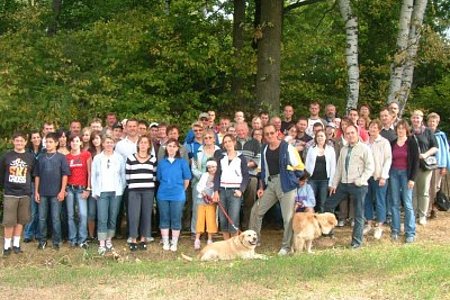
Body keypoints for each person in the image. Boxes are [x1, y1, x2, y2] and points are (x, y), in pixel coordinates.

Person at [250, 124, 305, 256]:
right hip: (271, 183)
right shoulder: (264, 149)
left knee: (287, 217)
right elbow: (262, 171)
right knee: (256, 210)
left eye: (272, 133)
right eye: (267, 134)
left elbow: (300, 168)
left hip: (286, 184)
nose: (269, 136)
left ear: (277, 133)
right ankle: (254, 240)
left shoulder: (287, 148)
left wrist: (292, 180)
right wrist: (261, 187)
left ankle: (286, 246)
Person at [324, 124, 374, 249]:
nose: (350, 135)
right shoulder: (344, 149)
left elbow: (370, 167)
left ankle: (356, 242)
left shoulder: (364, 148)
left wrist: (361, 180)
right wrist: (334, 184)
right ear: (345, 135)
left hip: (358, 185)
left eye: (352, 133)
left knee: (358, 213)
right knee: (329, 205)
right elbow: (339, 169)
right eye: (348, 133)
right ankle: (329, 232)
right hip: (344, 184)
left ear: (357, 134)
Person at [0, 132, 35, 255]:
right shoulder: (6, 156)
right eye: (17, 141)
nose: (19, 143)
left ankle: (16, 245)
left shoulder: (30, 157)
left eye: (21, 141)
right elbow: (2, 174)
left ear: (25, 142)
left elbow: (33, 175)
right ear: (13, 141)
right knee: (9, 221)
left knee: (21, 220)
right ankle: (7, 246)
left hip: (25, 193)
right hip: (10, 193)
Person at [34, 132, 71, 250]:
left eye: (50, 142)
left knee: (56, 218)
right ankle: (42, 240)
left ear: (56, 143)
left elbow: (65, 175)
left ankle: (57, 241)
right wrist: (36, 191)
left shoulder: (61, 157)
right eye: (46, 142)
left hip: (56, 193)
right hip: (43, 192)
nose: (48, 144)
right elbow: (37, 176)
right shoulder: (40, 157)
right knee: (42, 217)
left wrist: (62, 190)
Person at [91, 134, 126, 255]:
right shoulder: (97, 158)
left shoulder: (119, 158)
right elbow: (93, 176)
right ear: (103, 144)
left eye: (111, 142)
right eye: (107, 142)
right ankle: (101, 243)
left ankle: (109, 240)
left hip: (115, 192)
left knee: (112, 217)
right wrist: (95, 191)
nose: (109, 144)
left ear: (114, 144)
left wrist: (121, 188)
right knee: (102, 217)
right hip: (102, 192)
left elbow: (122, 174)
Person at [157, 138, 192, 252]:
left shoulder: (182, 162)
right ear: (166, 148)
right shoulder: (162, 163)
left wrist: (180, 190)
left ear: (178, 149)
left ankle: (174, 242)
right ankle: (166, 241)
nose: (171, 148)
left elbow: (186, 179)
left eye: (174, 146)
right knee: (164, 218)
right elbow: (159, 178)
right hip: (163, 194)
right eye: (169, 146)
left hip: (177, 195)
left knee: (176, 218)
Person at [213, 134, 250, 240]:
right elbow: (217, 175)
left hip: (235, 191)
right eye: (225, 142)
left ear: (234, 142)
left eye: (229, 141)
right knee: (223, 218)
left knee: (233, 218)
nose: (227, 144)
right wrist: (216, 191)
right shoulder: (221, 157)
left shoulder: (241, 157)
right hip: (222, 191)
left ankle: (234, 243)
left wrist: (241, 190)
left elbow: (246, 175)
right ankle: (226, 243)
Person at [125, 135, 157, 251]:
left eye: (146, 143)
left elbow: (154, 176)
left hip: (148, 190)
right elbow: (127, 176)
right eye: (141, 142)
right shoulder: (130, 158)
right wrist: (134, 185)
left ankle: (143, 238)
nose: (143, 145)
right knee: (134, 215)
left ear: (149, 145)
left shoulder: (153, 159)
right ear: (138, 144)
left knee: (146, 214)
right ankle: (133, 238)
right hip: (134, 190)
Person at [389, 120, 419, 243]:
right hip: (394, 174)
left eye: (403, 128)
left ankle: (410, 232)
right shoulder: (393, 143)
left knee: (407, 203)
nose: (400, 130)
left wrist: (412, 179)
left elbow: (416, 162)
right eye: (398, 128)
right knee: (395, 203)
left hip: (406, 174)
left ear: (406, 129)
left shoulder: (411, 142)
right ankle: (395, 229)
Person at [363, 119, 392, 239]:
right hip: (367, 177)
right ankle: (369, 223)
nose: (373, 129)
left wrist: (384, 176)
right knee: (367, 200)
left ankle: (379, 226)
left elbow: (388, 159)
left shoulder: (384, 142)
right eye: (371, 127)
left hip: (379, 176)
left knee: (380, 201)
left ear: (379, 129)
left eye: (375, 127)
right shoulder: (365, 143)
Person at [411, 110, 438, 225]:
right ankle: (413, 214)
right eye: (414, 118)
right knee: (413, 192)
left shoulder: (428, 132)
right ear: (411, 119)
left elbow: (435, 147)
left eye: (418, 117)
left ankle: (422, 215)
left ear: (422, 119)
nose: (416, 120)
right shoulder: (409, 132)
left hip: (424, 167)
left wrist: (425, 155)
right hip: (412, 167)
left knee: (424, 192)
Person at [190, 129, 220, 235]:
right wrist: (205, 177)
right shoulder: (198, 151)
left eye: (210, 137)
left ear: (214, 139)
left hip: (214, 183)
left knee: (213, 208)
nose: (208, 139)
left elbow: (221, 168)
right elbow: (193, 168)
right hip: (199, 182)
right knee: (197, 208)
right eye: (205, 138)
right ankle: (196, 231)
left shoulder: (219, 151)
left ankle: (211, 232)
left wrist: (213, 177)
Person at [65, 134, 92, 248]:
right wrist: (64, 189)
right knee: (71, 215)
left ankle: (82, 239)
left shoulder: (86, 155)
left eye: (77, 141)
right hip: (69, 189)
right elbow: (64, 174)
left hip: (82, 189)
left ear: (81, 143)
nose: (74, 143)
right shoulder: (66, 157)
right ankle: (72, 238)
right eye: (72, 141)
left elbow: (90, 173)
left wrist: (88, 188)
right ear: (70, 143)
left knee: (83, 214)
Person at [235, 122, 261, 230]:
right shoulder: (233, 142)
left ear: (247, 131)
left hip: (251, 175)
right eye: (239, 130)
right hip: (235, 177)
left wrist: (243, 165)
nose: (241, 132)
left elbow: (257, 161)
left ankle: (247, 226)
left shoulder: (255, 143)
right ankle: (234, 226)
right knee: (235, 202)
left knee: (249, 203)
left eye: (243, 130)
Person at [304, 130, 336, 213]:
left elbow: (333, 167)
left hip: (325, 180)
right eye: (318, 136)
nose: (320, 138)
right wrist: (306, 178)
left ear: (325, 137)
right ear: (315, 138)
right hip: (312, 179)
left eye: (322, 136)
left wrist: (331, 182)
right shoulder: (311, 149)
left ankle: (322, 222)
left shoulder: (330, 150)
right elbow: (307, 164)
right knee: (310, 201)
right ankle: (311, 221)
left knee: (323, 202)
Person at [427, 113, 450, 218]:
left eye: (434, 121)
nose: (432, 123)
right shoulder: (425, 133)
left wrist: (444, 166)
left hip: (438, 164)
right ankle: (426, 209)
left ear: (437, 123)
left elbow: (445, 151)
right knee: (426, 187)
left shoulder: (441, 135)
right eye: (430, 121)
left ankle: (433, 208)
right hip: (426, 164)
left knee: (435, 188)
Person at [23, 130, 43, 243]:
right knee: (32, 210)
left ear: (41, 138)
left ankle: (40, 233)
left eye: (37, 137)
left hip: (43, 183)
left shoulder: (45, 151)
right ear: (30, 139)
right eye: (33, 137)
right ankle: (28, 233)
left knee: (41, 210)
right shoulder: (27, 152)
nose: (36, 139)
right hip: (30, 183)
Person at [194, 159, 219, 249]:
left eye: (213, 167)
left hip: (211, 201)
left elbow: (217, 189)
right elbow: (199, 185)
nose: (211, 169)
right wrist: (203, 193)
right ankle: (197, 238)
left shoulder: (218, 177)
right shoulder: (205, 175)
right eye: (209, 167)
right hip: (202, 199)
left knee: (210, 218)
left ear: (216, 167)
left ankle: (210, 238)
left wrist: (212, 198)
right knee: (200, 218)